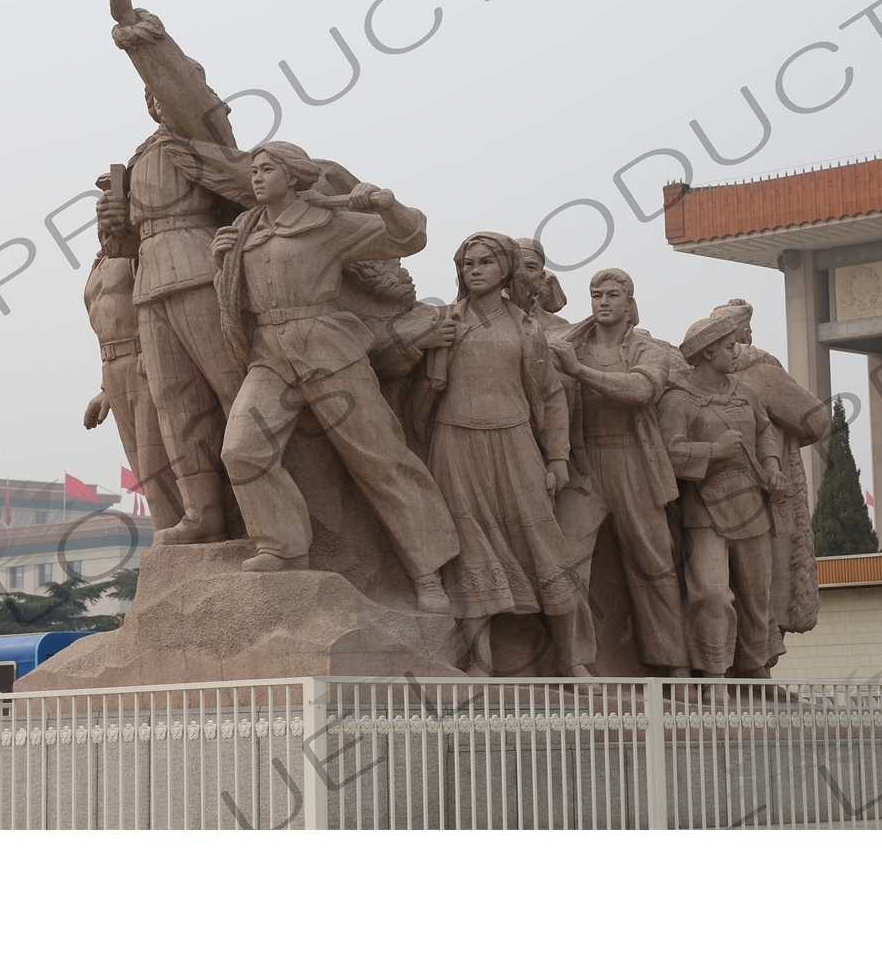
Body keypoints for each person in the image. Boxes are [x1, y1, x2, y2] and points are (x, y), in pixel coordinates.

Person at [212, 142, 459, 611]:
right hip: (270, 355)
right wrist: (221, 261)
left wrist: (388, 205)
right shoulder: (245, 230)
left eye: (268, 169)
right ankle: (282, 547)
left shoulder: (328, 222)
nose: (257, 177)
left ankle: (429, 572)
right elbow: (236, 299)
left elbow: (410, 239)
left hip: (328, 348)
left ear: (294, 175)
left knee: (380, 457)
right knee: (242, 449)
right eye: (254, 170)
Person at [376, 233, 594, 676]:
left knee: (546, 547)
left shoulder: (528, 328)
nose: (473, 270)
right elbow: (384, 363)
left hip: (515, 444)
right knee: (471, 551)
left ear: (504, 270)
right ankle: (480, 662)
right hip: (456, 445)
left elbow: (551, 396)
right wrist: (426, 344)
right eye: (467, 264)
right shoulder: (443, 320)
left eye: (484, 263)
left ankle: (573, 663)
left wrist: (556, 458)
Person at [95, 0, 256, 546]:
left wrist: (134, 30)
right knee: (174, 403)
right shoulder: (140, 157)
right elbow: (123, 250)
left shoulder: (202, 136)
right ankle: (203, 512)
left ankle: (266, 509)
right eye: (150, 92)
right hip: (150, 285)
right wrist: (115, 230)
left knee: (232, 392)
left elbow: (188, 91)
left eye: (163, 88)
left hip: (195, 268)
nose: (156, 97)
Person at [548, 269, 686, 673]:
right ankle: (573, 660)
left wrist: (579, 371)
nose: (603, 302)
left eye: (612, 295)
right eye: (595, 295)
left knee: (655, 565)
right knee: (568, 565)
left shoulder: (647, 349)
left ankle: (673, 664)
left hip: (633, 464)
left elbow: (641, 390)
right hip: (584, 466)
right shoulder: (570, 344)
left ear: (629, 304)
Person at [659, 313, 788, 678]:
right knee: (712, 594)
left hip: (752, 506)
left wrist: (773, 466)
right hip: (704, 512)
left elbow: (765, 431)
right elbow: (668, 452)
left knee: (757, 596)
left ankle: (755, 671)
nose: (737, 352)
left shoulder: (743, 392)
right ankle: (714, 675)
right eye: (729, 347)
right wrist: (713, 451)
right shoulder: (679, 399)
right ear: (706, 352)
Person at [708, 299, 830, 667]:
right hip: (760, 495)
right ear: (743, 334)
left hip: (714, 497)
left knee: (731, 583)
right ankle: (753, 662)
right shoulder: (760, 370)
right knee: (760, 582)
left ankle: (735, 663)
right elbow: (814, 421)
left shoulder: (693, 374)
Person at [82, 206, 182, 536]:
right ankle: (165, 530)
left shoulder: (137, 257)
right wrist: (104, 390)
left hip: (144, 360)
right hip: (112, 368)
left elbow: (157, 310)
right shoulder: (97, 267)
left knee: (158, 460)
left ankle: (183, 531)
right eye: (98, 218)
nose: (103, 225)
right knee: (141, 466)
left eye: (110, 216)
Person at [514, 237, 570, 333]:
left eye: (530, 267)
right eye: (516, 266)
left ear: (541, 277)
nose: (522, 274)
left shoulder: (558, 326)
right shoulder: (484, 319)